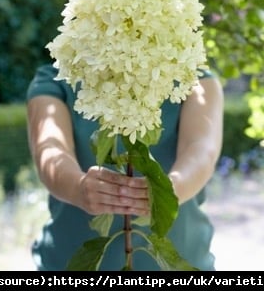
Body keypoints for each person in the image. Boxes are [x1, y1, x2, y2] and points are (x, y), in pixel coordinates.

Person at [26, 62, 224, 271]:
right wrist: (79, 188)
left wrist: (168, 191)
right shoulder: (56, 77)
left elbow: (202, 150)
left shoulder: (193, 77)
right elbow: (49, 149)